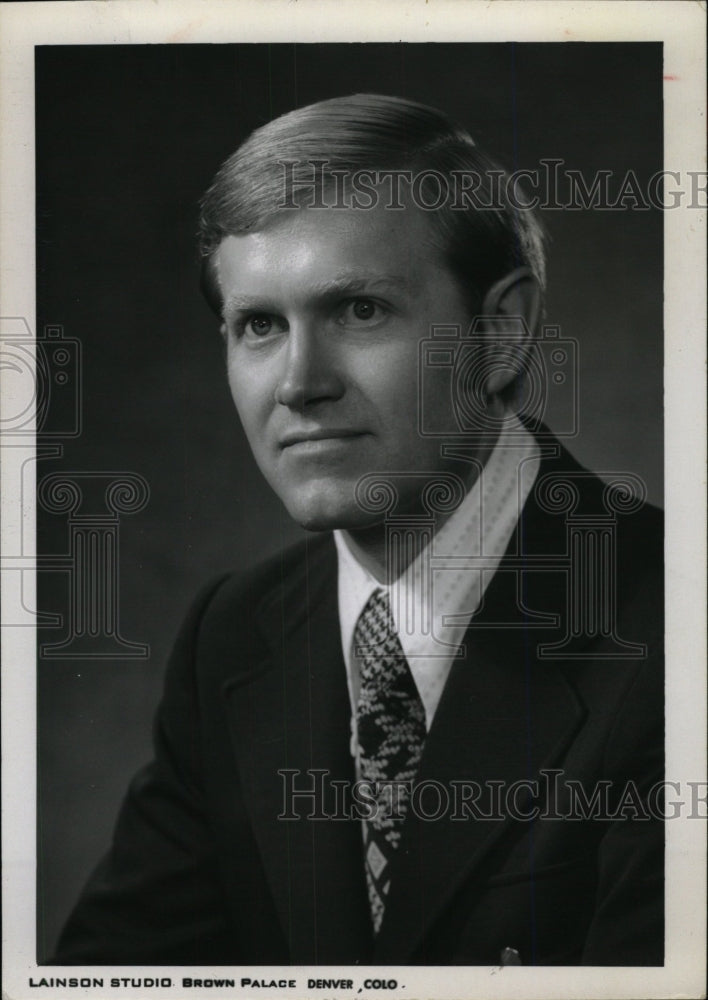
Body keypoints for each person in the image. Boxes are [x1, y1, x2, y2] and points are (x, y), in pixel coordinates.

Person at [52, 94, 663, 967]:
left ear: (500, 332)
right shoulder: (233, 636)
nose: (300, 383)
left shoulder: (679, 631)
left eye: (359, 312)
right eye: (259, 325)